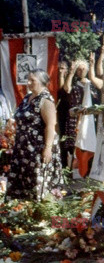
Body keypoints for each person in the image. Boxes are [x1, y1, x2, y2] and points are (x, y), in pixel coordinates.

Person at [7, 69, 62, 201]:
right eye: (28, 79)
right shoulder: (28, 97)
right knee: (22, 181)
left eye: (32, 80)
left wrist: (47, 149)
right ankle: (21, 212)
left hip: (37, 149)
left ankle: (38, 214)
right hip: (23, 149)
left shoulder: (46, 100)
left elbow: (50, 125)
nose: (28, 82)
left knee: (35, 180)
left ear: (43, 83)